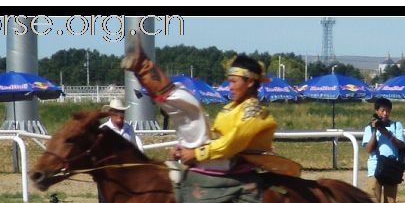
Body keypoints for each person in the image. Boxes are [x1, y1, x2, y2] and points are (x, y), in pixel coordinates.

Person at [121, 35, 284, 172]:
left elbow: (231, 144)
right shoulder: (232, 107)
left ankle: (143, 67)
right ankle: (143, 68)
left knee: (191, 108)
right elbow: (215, 135)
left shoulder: (255, 113)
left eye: (234, 81)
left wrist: (196, 153)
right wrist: (184, 146)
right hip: (221, 158)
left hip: (235, 163)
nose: (230, 87)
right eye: (229, 82)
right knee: (191, 110)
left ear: (250, 83)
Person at [97, 98, 144, 203]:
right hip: (107, 176)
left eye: (122, 112)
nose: (120, 115)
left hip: (125, 177)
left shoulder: (129, 130)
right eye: (117, 112)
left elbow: (137, 149)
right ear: (111, 113)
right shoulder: (103, 130)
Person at [362, 97, 405, 203]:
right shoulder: (369, 128)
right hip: (374, 167)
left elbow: (400, 145)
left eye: (388, 111)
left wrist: (386, 132)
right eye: (382, 110)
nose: (385, 113)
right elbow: (368, 149)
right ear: (377, 111)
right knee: (373, 202)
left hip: (392, 167)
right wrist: (375, 130)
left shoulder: (397, 125)